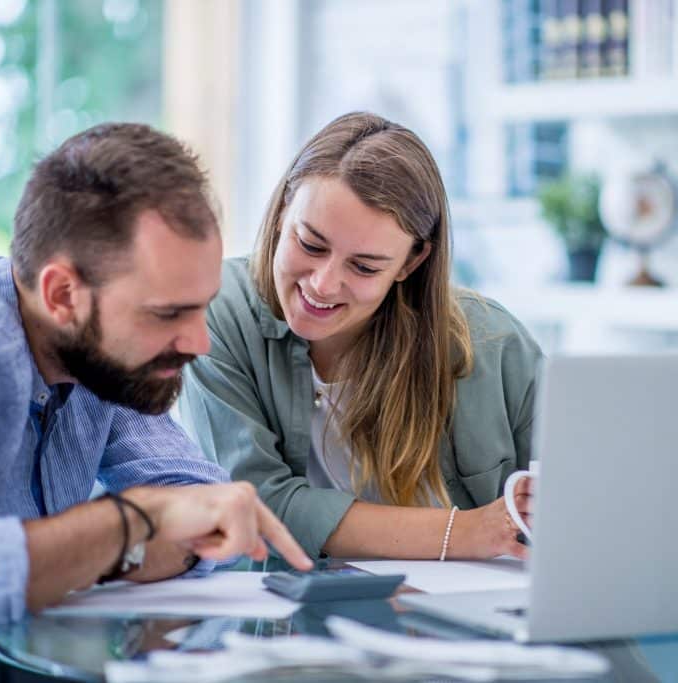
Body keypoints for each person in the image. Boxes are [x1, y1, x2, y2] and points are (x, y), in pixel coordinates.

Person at [0, 123, 311, 683]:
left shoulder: (100, 357)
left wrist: (118, 543)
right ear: (62, 294)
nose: (199, 343)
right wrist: (137, 519)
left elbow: (201, 510)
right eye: (167, 314)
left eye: (200, 307)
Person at [180, 112, 542, 562]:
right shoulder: (218, 311)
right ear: (282, 213)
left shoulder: (494, 343)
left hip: (470, 621)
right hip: (280, 622)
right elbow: (253, 506)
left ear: (410, 264)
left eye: (365, 267)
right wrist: (464, 531)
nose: (323, 285)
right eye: (310, 244)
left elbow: (575, 507)